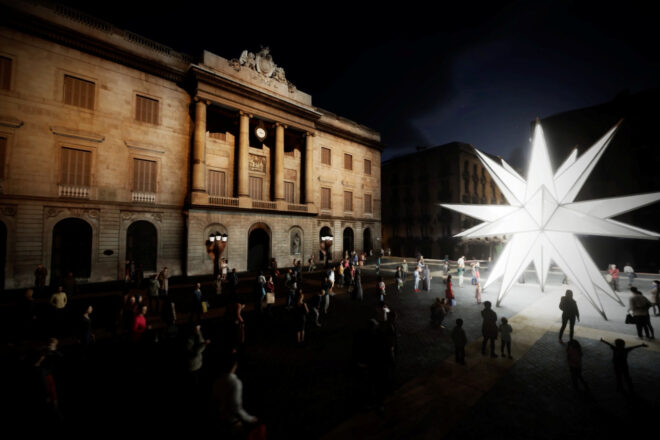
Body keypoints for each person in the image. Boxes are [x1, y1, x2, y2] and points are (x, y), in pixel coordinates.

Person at [213, 356, 259, 433]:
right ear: (234, 366)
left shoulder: (217, 380)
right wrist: (250, 419)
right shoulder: (235, 383)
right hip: (231, 420)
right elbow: (236, 407)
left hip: (219, 418)